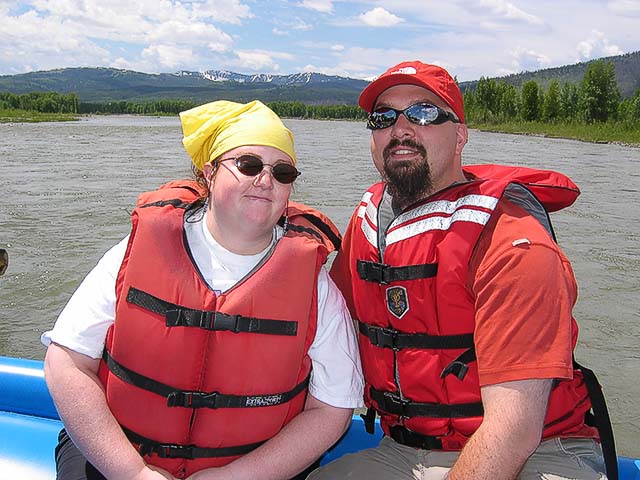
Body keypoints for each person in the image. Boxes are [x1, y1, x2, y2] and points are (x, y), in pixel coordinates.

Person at [308, 61, 616, 480]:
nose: (400, 129)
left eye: (423, 113)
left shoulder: (513, 241)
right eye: (383, 117)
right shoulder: (371, 226)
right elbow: (318, 330)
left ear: (461, 136)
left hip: (538, 450)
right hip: (403, 448)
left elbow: (514, 430)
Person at [42, 99, 364, 480]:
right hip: (117, 455)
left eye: (282, 172)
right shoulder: (134, 252)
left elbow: (332, 409)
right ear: (209, 172)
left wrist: (234, 477)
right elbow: (67, 363)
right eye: (248, 165)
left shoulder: (316, 288)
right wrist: (132, 472)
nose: (265, 180)